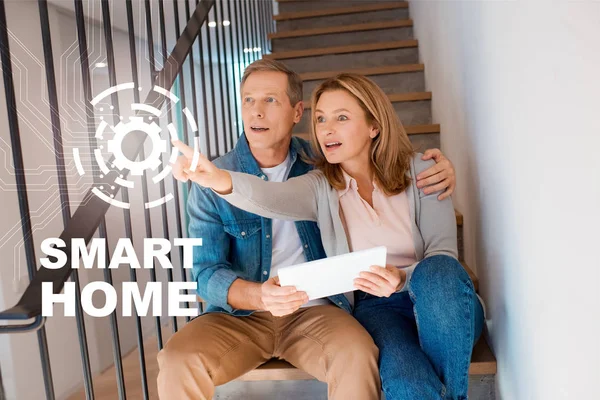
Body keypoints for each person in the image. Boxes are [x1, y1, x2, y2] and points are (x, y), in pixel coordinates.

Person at [171, 72, 482, 400]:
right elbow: (268, 196)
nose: (327, 129)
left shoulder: (423, 172)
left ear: (374, 126)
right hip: (379, 309)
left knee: (438, 272)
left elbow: (443, 258)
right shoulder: (320, 184)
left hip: (441, 301)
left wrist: (402, 278)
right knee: (409, 386)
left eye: (342, 118)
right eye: (320, 119)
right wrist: (219, 179)